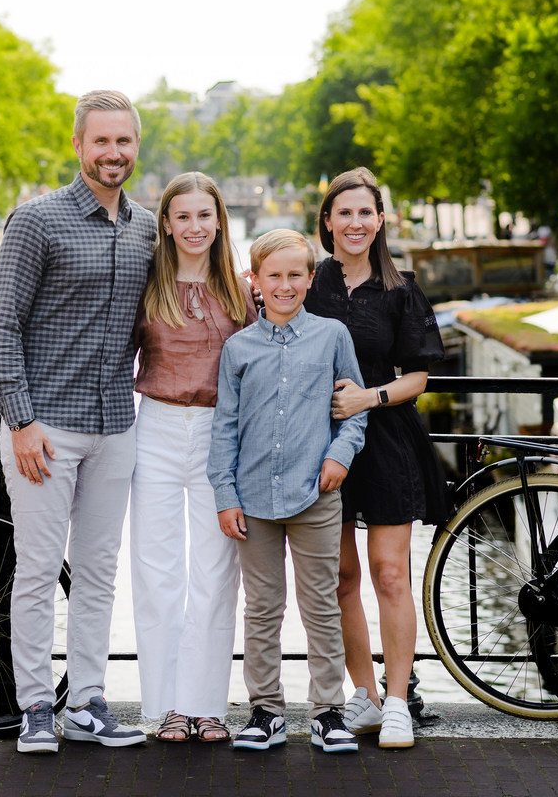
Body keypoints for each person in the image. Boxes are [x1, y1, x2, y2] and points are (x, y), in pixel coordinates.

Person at [0, 89, 156, 754]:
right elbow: (4, 330)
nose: (113, 153)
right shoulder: (36, 222)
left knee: (97, 570)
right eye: (101, 141)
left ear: (135, 147)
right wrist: (20, 421)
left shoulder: (146, 226)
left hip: (118, 424)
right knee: (35, 572)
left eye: (124, 141)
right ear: (79, 144)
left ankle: (87, 700)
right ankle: (35, 707)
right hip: (46, 429)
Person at [207, 228, 368, 754]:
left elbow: (354, 412)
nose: (284, 285)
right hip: (253, 498)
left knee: (320, 603)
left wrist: (339, 456)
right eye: (272, 275)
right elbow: (225, 426)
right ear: (255, 281)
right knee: (262, 607)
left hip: (316, 492)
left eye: (294, 274)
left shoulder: (332, 337)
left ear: (310, 277)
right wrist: (225, 494)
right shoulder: (238, 348)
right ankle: (266, 710)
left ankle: (327, 712)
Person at [304, 167, 448, 749]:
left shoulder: (401, 288)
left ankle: (396, 702)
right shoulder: (309, 284)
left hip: (385, 440)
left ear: (380, 220)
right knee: (341, 577)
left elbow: (420, 374)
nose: (356, 223)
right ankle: (361, 696)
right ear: (327, 222)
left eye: (366, 212)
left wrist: (370, 395)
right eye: (345, 213)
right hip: (324, 444)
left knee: (390, 575)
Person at [130, 172, 258, 743]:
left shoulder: (239, 288)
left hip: (218, 435)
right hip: (154, 426)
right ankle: (166, 708)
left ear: (219, 221)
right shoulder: (147, 282)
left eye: (205, 215)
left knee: (215, 571)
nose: (195, 227)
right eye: (183, 216)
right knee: (157, 573)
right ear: (166, 222)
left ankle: (207, 707)